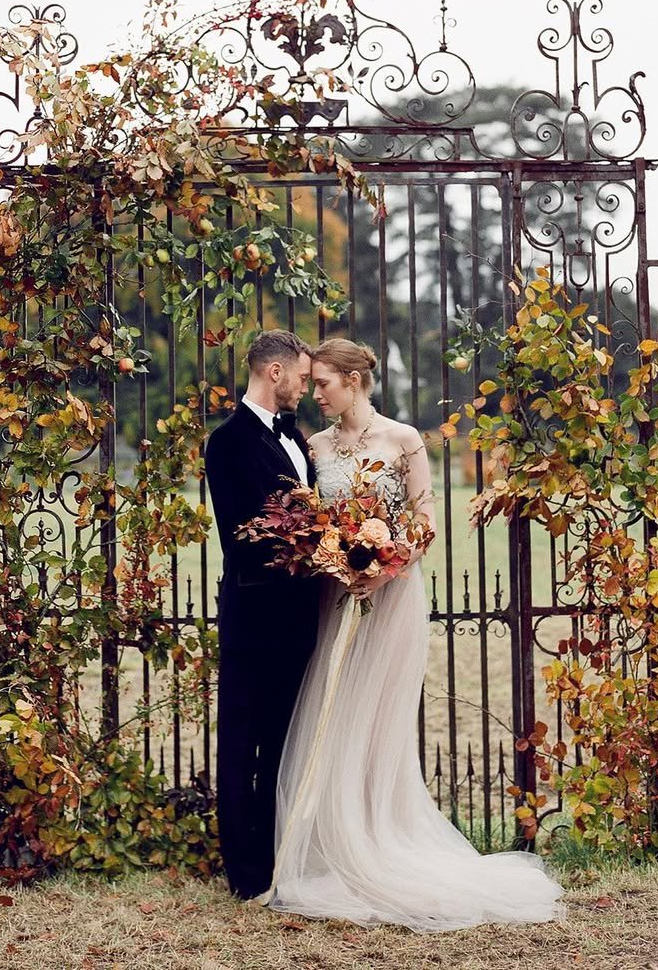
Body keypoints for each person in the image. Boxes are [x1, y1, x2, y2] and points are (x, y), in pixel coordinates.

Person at [260, 336, 567, 931]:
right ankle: (332, 845)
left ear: (353, 380)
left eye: (322, 382)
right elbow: (312, 522)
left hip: (392, 594)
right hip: (335, 596)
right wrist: (338, 561)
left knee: (379, 720)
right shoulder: (311, 445)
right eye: (312, 383)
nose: (314, 394)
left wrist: (383, 564)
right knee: (334, 710)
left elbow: (425, 523)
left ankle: (380, 839)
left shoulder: (403, 440)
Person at [203, 329, 323, 900]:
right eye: (301, 376)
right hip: (255, 615)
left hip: (302, 617)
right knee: (242, 740)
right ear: (274, 373)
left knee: (282, 739)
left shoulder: (296, 438)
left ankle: (278, 859)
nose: (305, 386)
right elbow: (243, 537)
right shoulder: (227, 442)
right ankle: (244, 873)